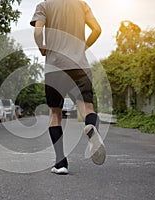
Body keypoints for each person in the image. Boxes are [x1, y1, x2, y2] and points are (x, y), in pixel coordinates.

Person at [30, 0, 106, 175]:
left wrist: (42, 48)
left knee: (55, 113)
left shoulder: (44, 5)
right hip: (79, 65)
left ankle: (60, 163)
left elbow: (38, 30)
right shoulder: (81, 5)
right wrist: (82, 48)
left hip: (55, 66)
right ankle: (92, 129)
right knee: (86, 108)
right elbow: (97, 30)